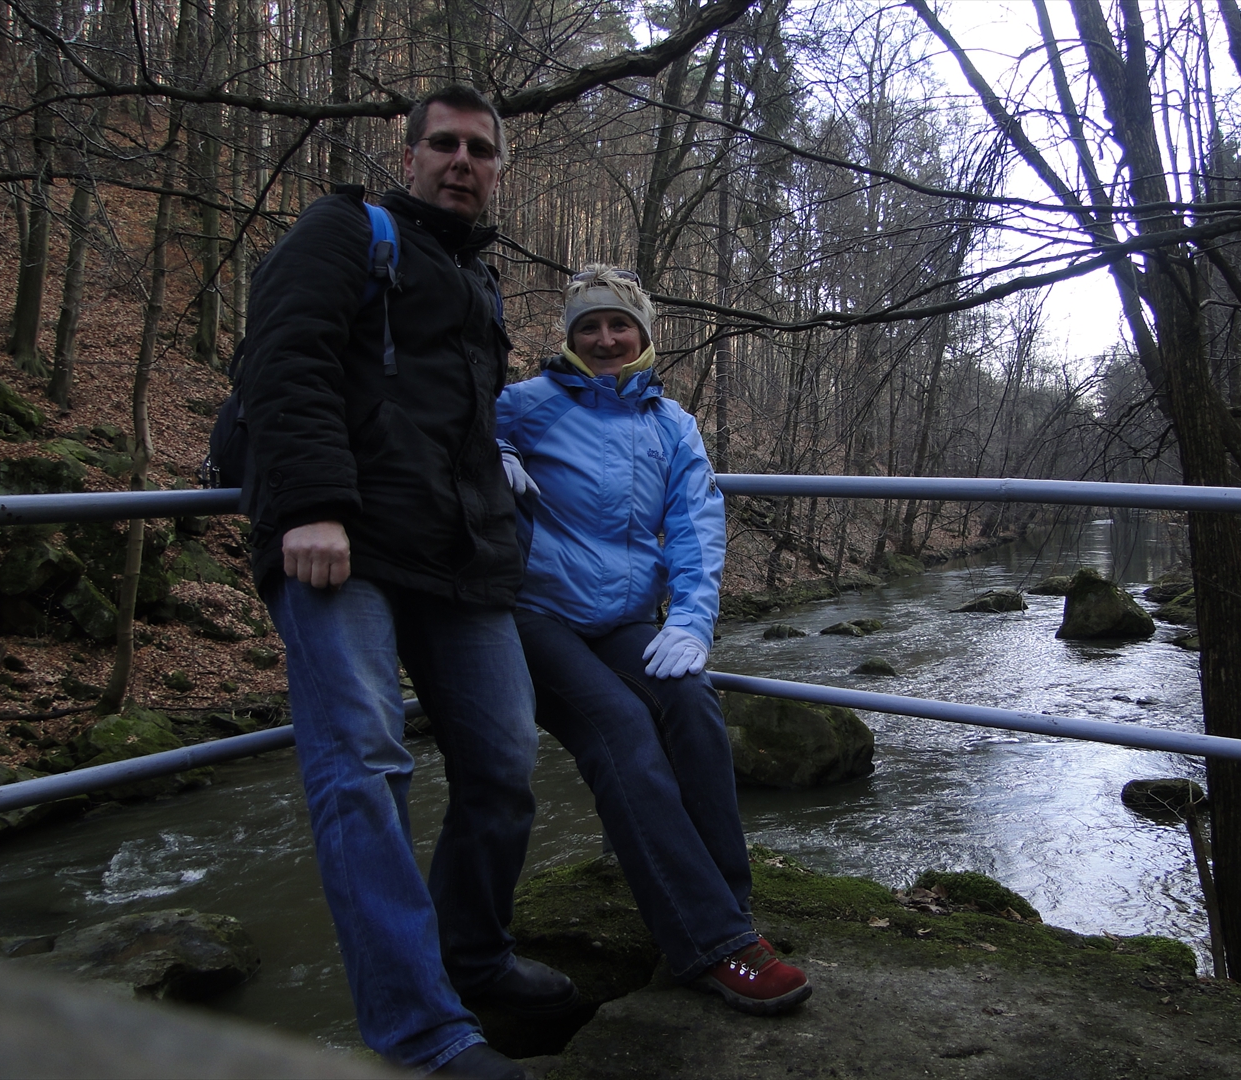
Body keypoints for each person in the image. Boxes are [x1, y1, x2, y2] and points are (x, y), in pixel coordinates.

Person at [239, 85, 570, 1080]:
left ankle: (471, 958)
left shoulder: (478, 280)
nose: (462, 161)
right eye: (445, 145)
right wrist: (309, 504)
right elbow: (284, 359)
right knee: (365, 771)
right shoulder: (346, 229)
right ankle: (423, 1034)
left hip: (460, 561)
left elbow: (457, 423)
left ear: (499, 168)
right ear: (411, 151)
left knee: (507, 765)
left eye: (481, 149)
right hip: (343, 545)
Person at [494, 267, 813, 1016]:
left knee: (693, 705)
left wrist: (693, 620)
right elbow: (459, 428)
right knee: (622, 733)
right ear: (570, 338)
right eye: (589, 327)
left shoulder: (673, 424)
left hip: (624, 620)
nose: (605, 338)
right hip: (537, 616)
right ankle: (713, 946)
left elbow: (697, 524)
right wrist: (491, 450)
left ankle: (728, 913)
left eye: (619, 325)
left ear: (643, 334)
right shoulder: (526, 405)